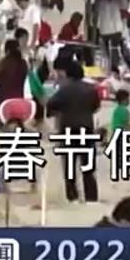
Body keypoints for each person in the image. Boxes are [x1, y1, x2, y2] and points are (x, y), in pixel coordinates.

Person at [46, 60, 101, 203]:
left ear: (68, 74)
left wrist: (59, 111)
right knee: (88, 165)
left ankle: (72, 195)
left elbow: (51, 104)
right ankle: (91, 196)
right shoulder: (91, 89)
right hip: (86, 129)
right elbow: (96, 106)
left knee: (70, 164)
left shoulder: (64, 90)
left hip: (68, 129)